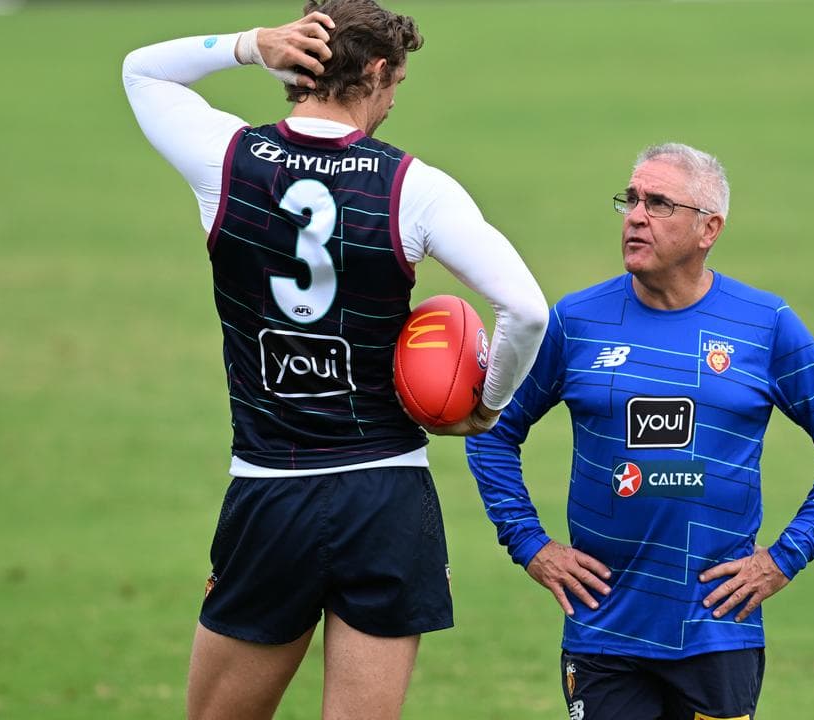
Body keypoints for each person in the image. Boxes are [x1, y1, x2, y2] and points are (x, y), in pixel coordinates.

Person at [121, 2, 548, 719]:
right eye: (396, 85)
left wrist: (252, 46)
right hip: (385, 498)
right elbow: (528, 310)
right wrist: (489, 403)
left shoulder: (226, 158)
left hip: (270, 488)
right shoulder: (415, 187)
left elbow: (142, 71)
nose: (391, 103)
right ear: (377, 72)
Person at [466, 143, 814, 720]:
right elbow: (490, 429)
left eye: (658, 203)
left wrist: (784, 558)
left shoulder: (764, 324)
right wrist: (529, 544)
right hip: (604, 630)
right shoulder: (577, 322)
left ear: (708, 228)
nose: (635, 215)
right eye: (631, 199)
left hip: (717, 629)